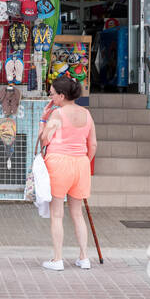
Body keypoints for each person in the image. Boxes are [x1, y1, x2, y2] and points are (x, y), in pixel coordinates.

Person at [37, 74, 98, 271]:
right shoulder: (87, 114)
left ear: (62, 96)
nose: (51, 96)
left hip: (59, 163)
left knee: (57, 214)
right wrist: (84, 162)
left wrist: (43, 119)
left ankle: (57, 259)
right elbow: (93, 144)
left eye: (53, 94)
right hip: (81, 164)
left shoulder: (57, 114)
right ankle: (84, 257)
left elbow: (45, 139)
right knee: (77, 213)